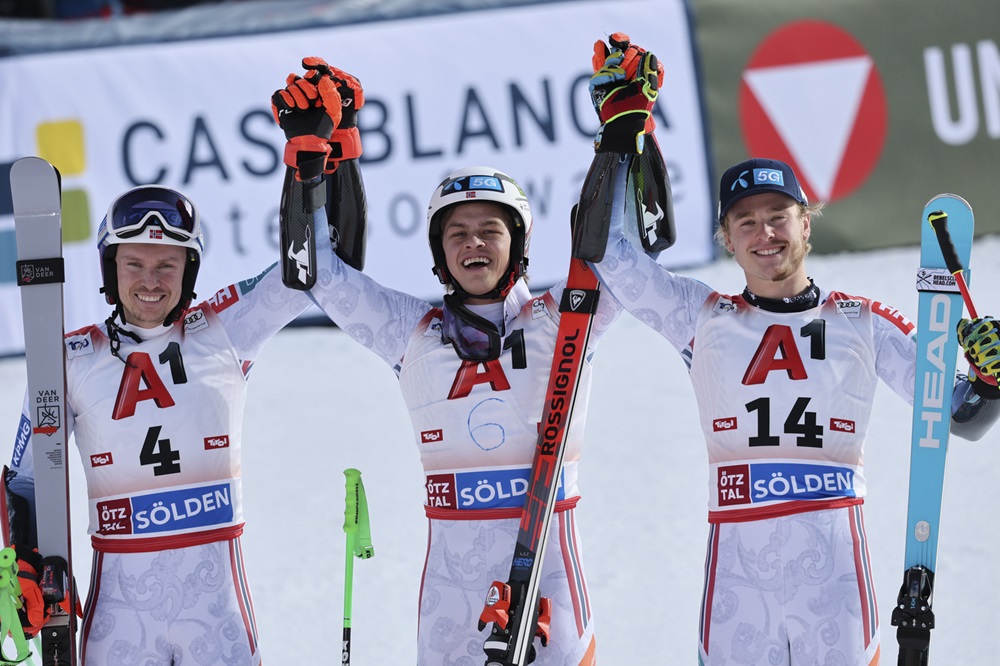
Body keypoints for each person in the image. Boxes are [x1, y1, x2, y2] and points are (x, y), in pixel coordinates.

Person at [264, 38, 664, 663]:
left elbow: (634, 253)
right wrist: (316, 160)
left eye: (489, 230)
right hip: (452, 598)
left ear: (518, 243)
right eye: (457, 233)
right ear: (437, 249)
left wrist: (631, 132)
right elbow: (321, 275)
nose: (473, 244)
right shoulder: (411, 331)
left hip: (552, 579)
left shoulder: (566, 318)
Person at [3, 72, 365, 662]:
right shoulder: (66, 358)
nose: (150, 281)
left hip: (215, 609)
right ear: (109, 268)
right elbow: (23, 480)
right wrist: (24, 562)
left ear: (190, 272)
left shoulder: (224, 330)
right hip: (120, 612)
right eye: (135, 263)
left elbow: (327, 270)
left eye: (168, 265)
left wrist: (329, 157)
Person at [589, 153, 1000, 664]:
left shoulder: (863, 322)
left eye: (778, 216)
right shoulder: (698, 316)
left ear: (806, 222)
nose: (765, 233)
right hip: (738, 580)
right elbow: (610, 255)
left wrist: (990, 380)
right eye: (746, 221)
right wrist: (622, 137)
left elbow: (961, 416)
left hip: (835, 576)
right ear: (728, 239)